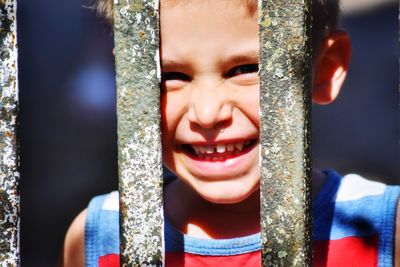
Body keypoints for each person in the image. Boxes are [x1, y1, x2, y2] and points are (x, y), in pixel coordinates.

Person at [61, 0, 400, 266]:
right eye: (171, 76)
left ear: (325, 68)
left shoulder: (384, 229)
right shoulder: (102, 236)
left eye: (246, 69)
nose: (208, 114)